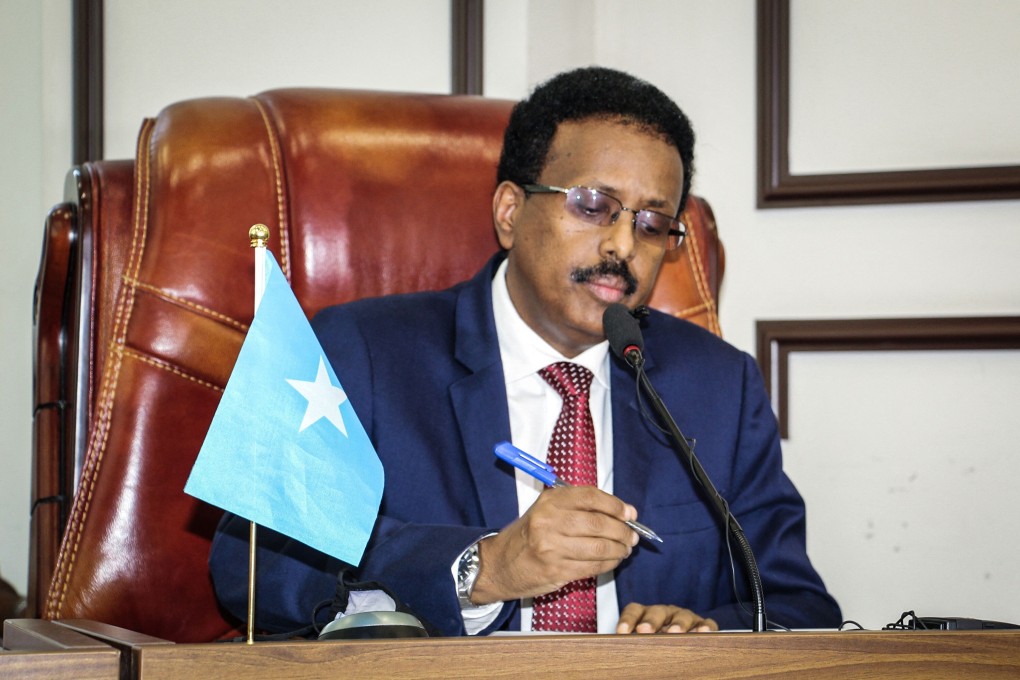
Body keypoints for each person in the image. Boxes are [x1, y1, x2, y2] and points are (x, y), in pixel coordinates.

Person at [210, 66, 841, 636]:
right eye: (593, 205)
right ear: (510, 211)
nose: (623, 245)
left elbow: (797, 607)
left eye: (653, 223)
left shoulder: (717, 386)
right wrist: (480, 570)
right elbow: (253, 566)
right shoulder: (362, 353)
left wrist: (702, 635)